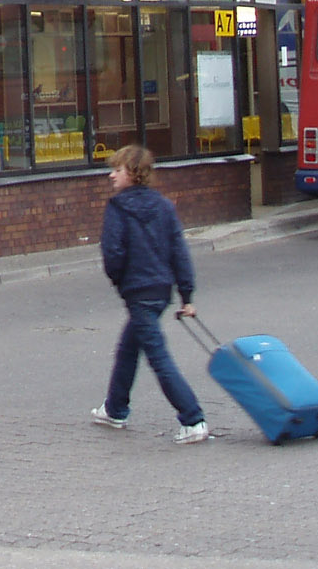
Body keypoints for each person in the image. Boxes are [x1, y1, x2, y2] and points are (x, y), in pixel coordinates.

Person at [91, 144, 210, 443]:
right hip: (160, 291)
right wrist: (187, 296)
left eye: (117, 170)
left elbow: (113, 253)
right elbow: (179, 253)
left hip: (137, 291)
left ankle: (193, 419)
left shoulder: (118, 208)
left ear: (132, 173)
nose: (111, 175)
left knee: (158, 357)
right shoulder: (164, 207)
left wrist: (120, 281)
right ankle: (115, 409)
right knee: (128, 350)